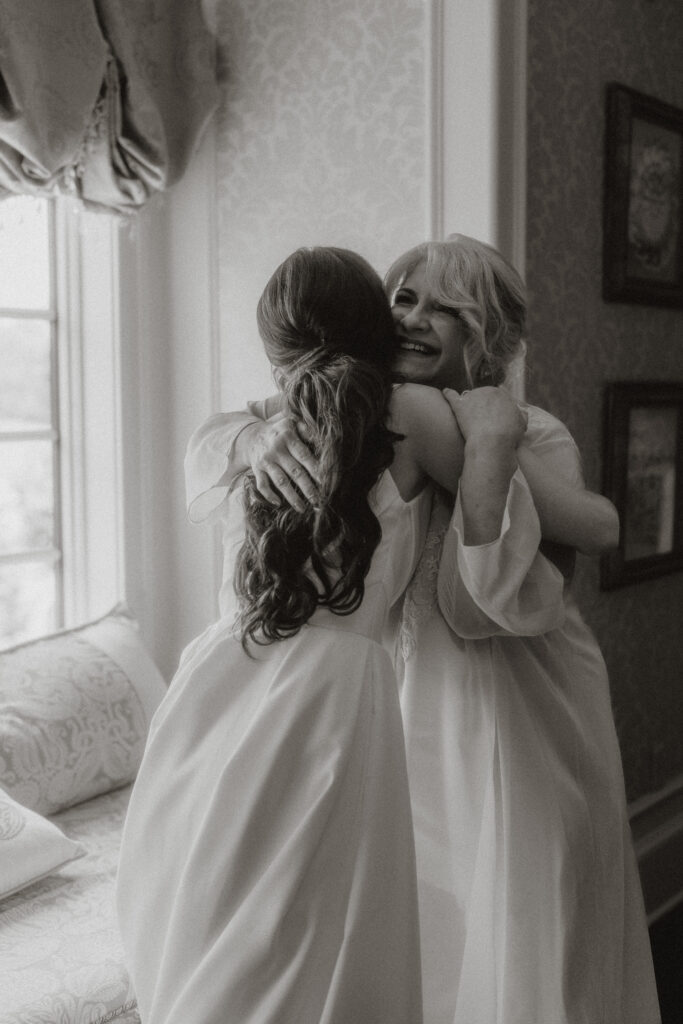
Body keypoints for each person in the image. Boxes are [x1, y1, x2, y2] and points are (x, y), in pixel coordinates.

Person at [200, 236, 660, 1024]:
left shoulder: (532, 433)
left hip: (523, 702)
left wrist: (489, 446)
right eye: (405, 298)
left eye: (448, 308)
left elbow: (491, 608)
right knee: (429, 926)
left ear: (488, 334)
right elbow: (216, 435)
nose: (416, 318)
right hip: (413, 696)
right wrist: (252, 438)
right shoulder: (360, 403)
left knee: (531, 920)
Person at [117, 245, 530, 1024]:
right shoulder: (409, 415)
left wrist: (242, 438)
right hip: (326, 693)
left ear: (275, 348)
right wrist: (497, 434)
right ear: (373, 321)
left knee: (203, 898)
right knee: (309, 925)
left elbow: (202, 458)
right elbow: (512, 533)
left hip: (221, 678)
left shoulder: (266, 422)